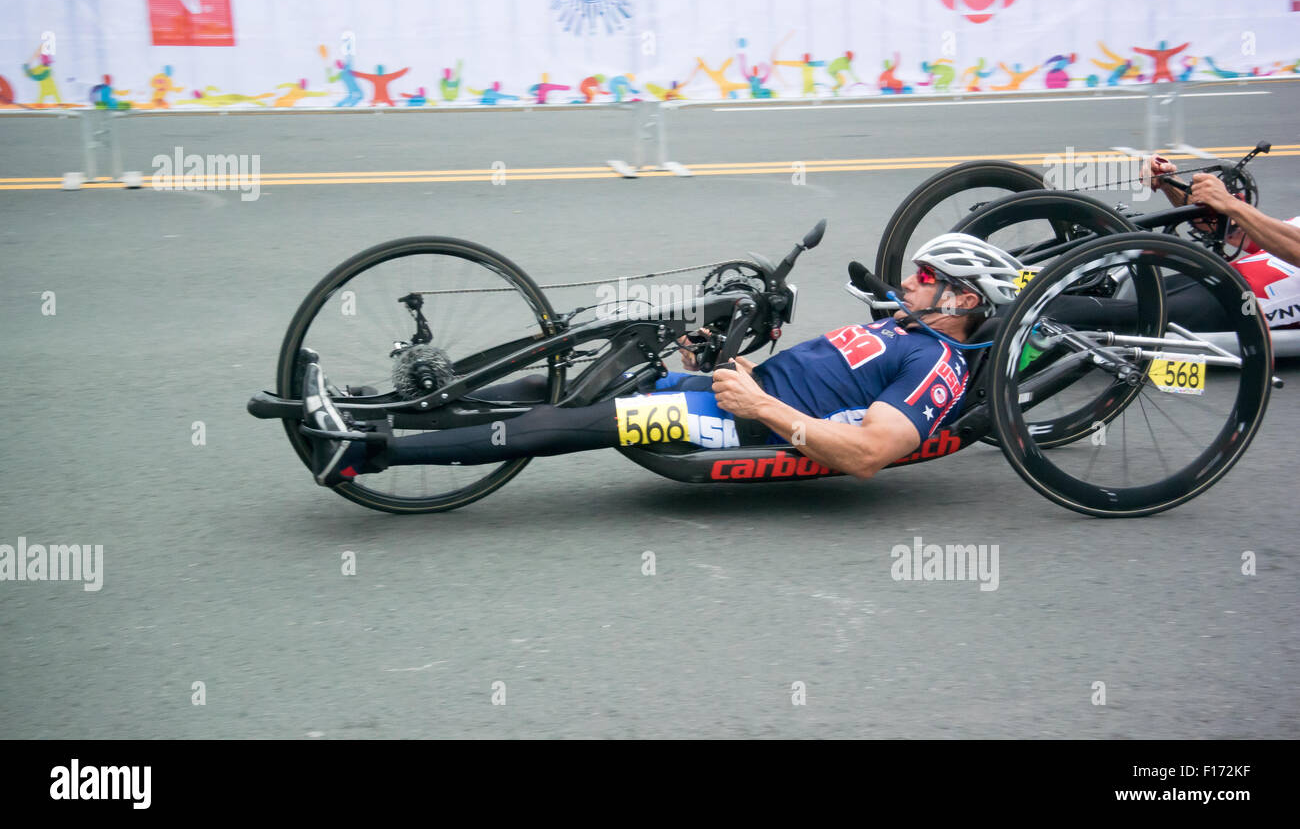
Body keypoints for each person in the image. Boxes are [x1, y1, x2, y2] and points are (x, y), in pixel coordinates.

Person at [301, 234, 1027, 488]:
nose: (909, 281)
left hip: (737, 424)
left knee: (568, 421)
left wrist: (759, 406)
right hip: (732, 391)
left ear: (960, 300)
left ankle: (368, 453)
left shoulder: (939, 365)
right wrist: (716, 358)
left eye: (926, 278)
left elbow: (871, 452)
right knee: (550, 380)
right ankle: (364, 403)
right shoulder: (905, 327)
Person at [1147, 155, 1300, 329]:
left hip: (1245, 307)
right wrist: (1170, 182)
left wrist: (1229, 203)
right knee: (1124, 295)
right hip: (1222, 279)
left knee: (1123, 316)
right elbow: (1231, 231)